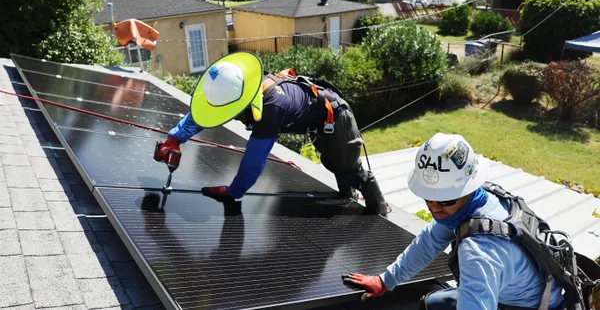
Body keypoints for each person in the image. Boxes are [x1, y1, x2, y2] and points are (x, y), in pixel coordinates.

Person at [342, 133, 564, 310]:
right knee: (432, 303)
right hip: (525, 289)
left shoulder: (479, 251)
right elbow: (430, 241)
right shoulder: (476, 199)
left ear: (467, 188)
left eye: (444, 199)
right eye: (428, 197)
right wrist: (386, 281)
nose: (434, 207)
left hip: (528, 306)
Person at [154, 51, 388, 216]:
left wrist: (233, 191)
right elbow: (203, 113)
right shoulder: (244, 86)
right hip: (319, 121)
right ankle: (346, 199)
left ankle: (380, 213)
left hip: (336, 118)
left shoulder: (270, 108)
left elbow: (254, 160)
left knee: (349, 170)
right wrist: (174, 139)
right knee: (333, 163)